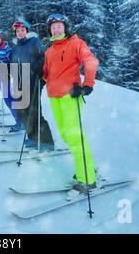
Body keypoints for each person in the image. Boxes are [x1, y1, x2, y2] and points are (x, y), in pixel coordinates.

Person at [42, 13, 99, 194]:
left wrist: (87, 84)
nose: (56, 29)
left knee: (74, 136)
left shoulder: (76, 43)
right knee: (66, 135)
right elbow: (46, 73)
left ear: (65, 28)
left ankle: (87, 179)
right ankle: (87, 166)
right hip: (54, 97)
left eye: (59, 26)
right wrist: (39, 75)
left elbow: (91, 61)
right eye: (53, 27)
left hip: (70, 96)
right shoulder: (49, 51)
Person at [10, 20, 55, 151]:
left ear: (27, 31)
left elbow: (45, 57)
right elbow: (12, 65)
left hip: (33, 81)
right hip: (19, 83)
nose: (20, 33)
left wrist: (39, 68)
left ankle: (47, 142)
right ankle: (33, 138)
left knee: (34, 112)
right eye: (17, 31)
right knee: (22, 112)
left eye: (22, 30)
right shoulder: (16, 48)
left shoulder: (34, 42)